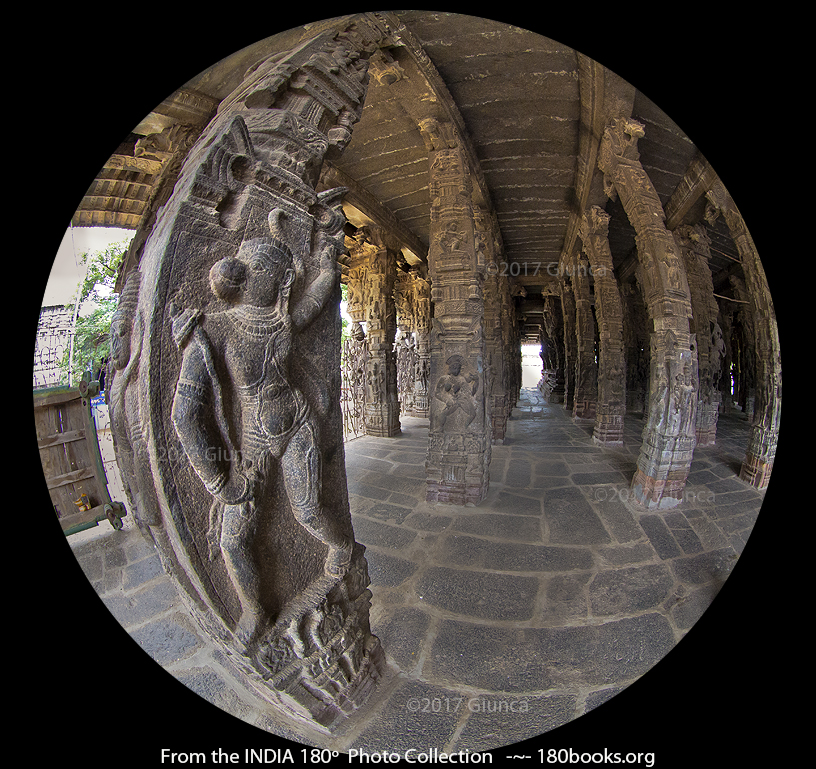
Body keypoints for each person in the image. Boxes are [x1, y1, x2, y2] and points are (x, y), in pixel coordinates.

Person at [171, 209, 351, 646]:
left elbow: (310, 304)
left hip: (296, 422)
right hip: (252, 444)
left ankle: (341, 547)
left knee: (308, 511)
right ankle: (255, 609)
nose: (286, 279)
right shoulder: (213, 331)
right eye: (278, 272)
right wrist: (221, 481)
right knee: (234, 540)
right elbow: (185, 415)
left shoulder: (277, 321)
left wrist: (327, 269)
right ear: (253, 277)